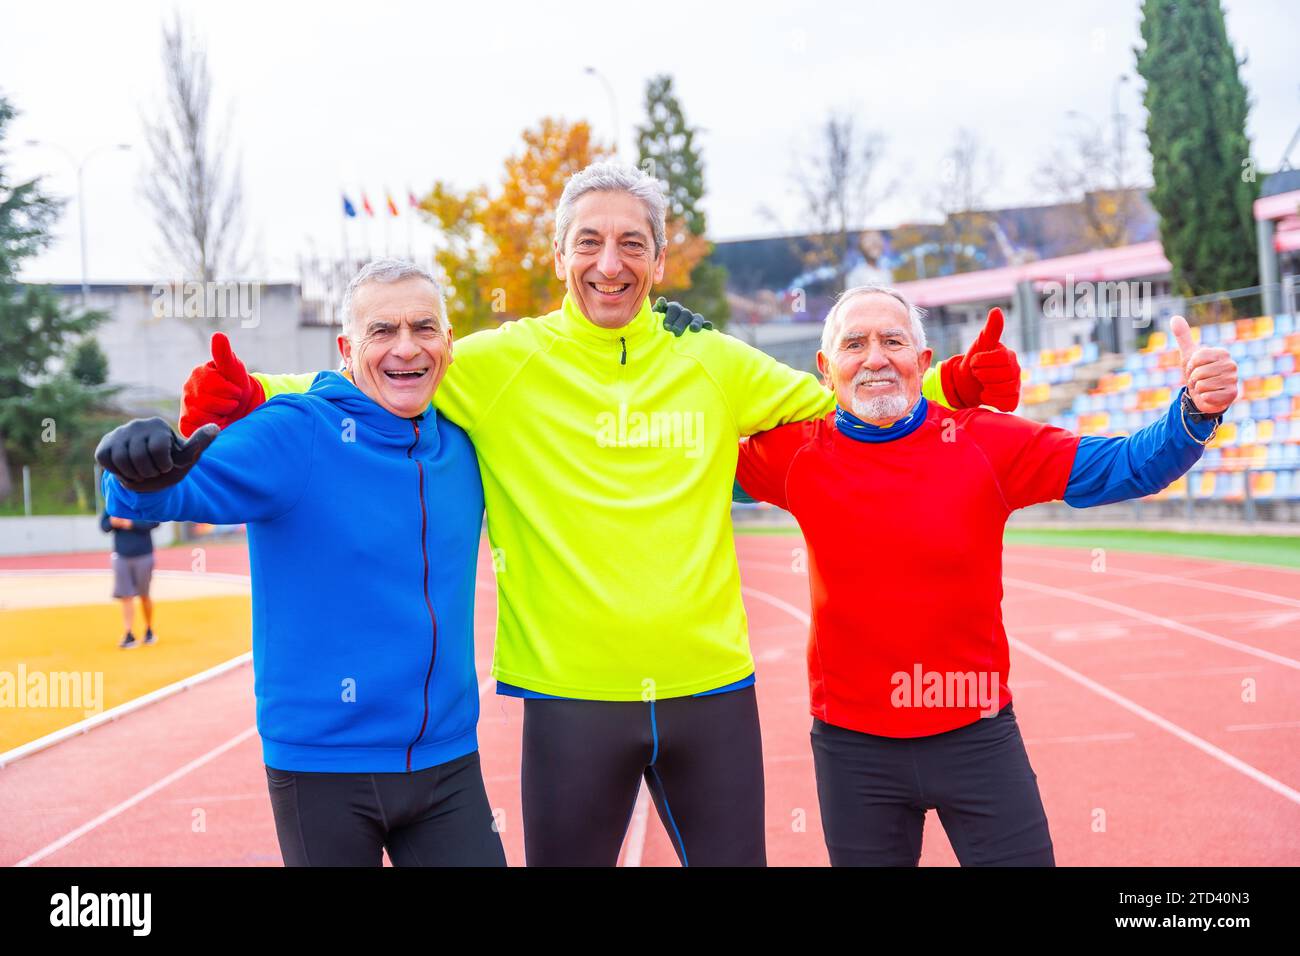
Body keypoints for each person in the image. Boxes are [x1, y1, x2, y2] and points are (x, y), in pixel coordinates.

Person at [176, 162, 1021, 866]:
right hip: (568, 699)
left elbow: (848, 405)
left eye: (632, 244)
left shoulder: (713, 360)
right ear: (558, 256)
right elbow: (383, 375)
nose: (609, 262)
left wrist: (952, 388)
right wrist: (253, 395)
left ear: (659, 262)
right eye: (590, 241)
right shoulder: (498, 363)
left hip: (710, 691)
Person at [735, 284, 1239, 866]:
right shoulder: (793, 454)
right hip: (854, 749)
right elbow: (686, 471)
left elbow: (1123, 468)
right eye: (855, 344)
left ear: (921, 362)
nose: (875, 358)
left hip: (977, 736)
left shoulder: (983, 441)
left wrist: (1195, 412)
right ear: (827, 369)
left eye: (893, 341)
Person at [96, 260, 505, 867]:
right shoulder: (298, 432)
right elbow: (179, 486)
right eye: (382, 331)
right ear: (346, 349)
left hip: (448, 762)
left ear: (448, 344)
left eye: (424, 328)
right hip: (324, 768)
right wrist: (134, 471)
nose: (406, 348)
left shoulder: (466, 443)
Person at [100, 510, 160, 648]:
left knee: (144, 595)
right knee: (126, 596)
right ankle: (129, 633)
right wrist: (112, 522)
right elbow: (104, 526)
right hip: (121, 555)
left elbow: (155, 522)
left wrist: (131, 523)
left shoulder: (143, 499)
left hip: (143, 554)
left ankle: (149, 628)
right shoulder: (114, 501)